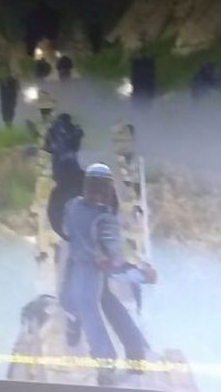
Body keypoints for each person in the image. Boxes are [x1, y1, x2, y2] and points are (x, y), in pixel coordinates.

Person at [60, 163, 157, 386]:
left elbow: (67, 231)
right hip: (89, 273)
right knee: (93, 311)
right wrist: (143, 275)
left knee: (90, 310)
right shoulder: (104, 219)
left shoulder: (73, 206)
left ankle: (122, 359)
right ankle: (128, 355)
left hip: (81, 271)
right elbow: (115, 263)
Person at [43, 113, 84, 183]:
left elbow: (48, 147)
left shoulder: (52, 130)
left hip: (64, 157)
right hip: (65, 157)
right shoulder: (52, 131)